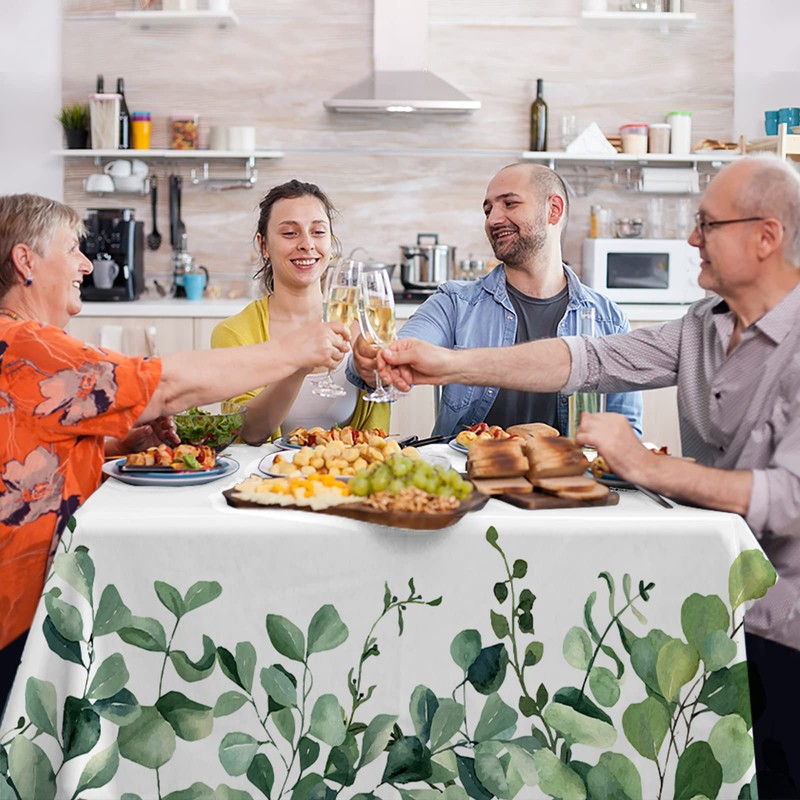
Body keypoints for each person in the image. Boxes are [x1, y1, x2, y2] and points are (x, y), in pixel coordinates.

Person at [377, 155, 800, 798]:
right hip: (716, 599)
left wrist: (647, 466)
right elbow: (586, 359)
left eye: (708, 224)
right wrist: (450, 363)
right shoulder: (699, 329)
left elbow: (789, 499)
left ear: (765, 237)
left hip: (784, 624)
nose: (691, 238)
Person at [0, 193, 351, 707]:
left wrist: (118, 442)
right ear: (25, 260)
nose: (86, 264)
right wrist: (294, 349)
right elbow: (163, 388)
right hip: (15, 607)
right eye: (73, 249)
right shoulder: (28, 345)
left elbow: (29, 451)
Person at [348, 162, 642, 438]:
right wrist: (372, 360)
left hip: (566, 482)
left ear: (553, 210)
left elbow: (626, 433)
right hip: (467, 481)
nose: (493, 219)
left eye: (509, 203)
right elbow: (398, 354)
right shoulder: (455, 302)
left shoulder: (608, 319)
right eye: (488, 210)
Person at [211, 180, 389, 444]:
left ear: (331, 244)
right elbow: (248, 432)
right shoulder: (234, 334)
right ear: (264, 246)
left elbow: (378, 438)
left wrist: (383, 378)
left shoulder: (365, 325)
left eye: (318, 232)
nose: (307, 244)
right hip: (264, 482)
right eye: (289, 233)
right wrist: (298, 366)